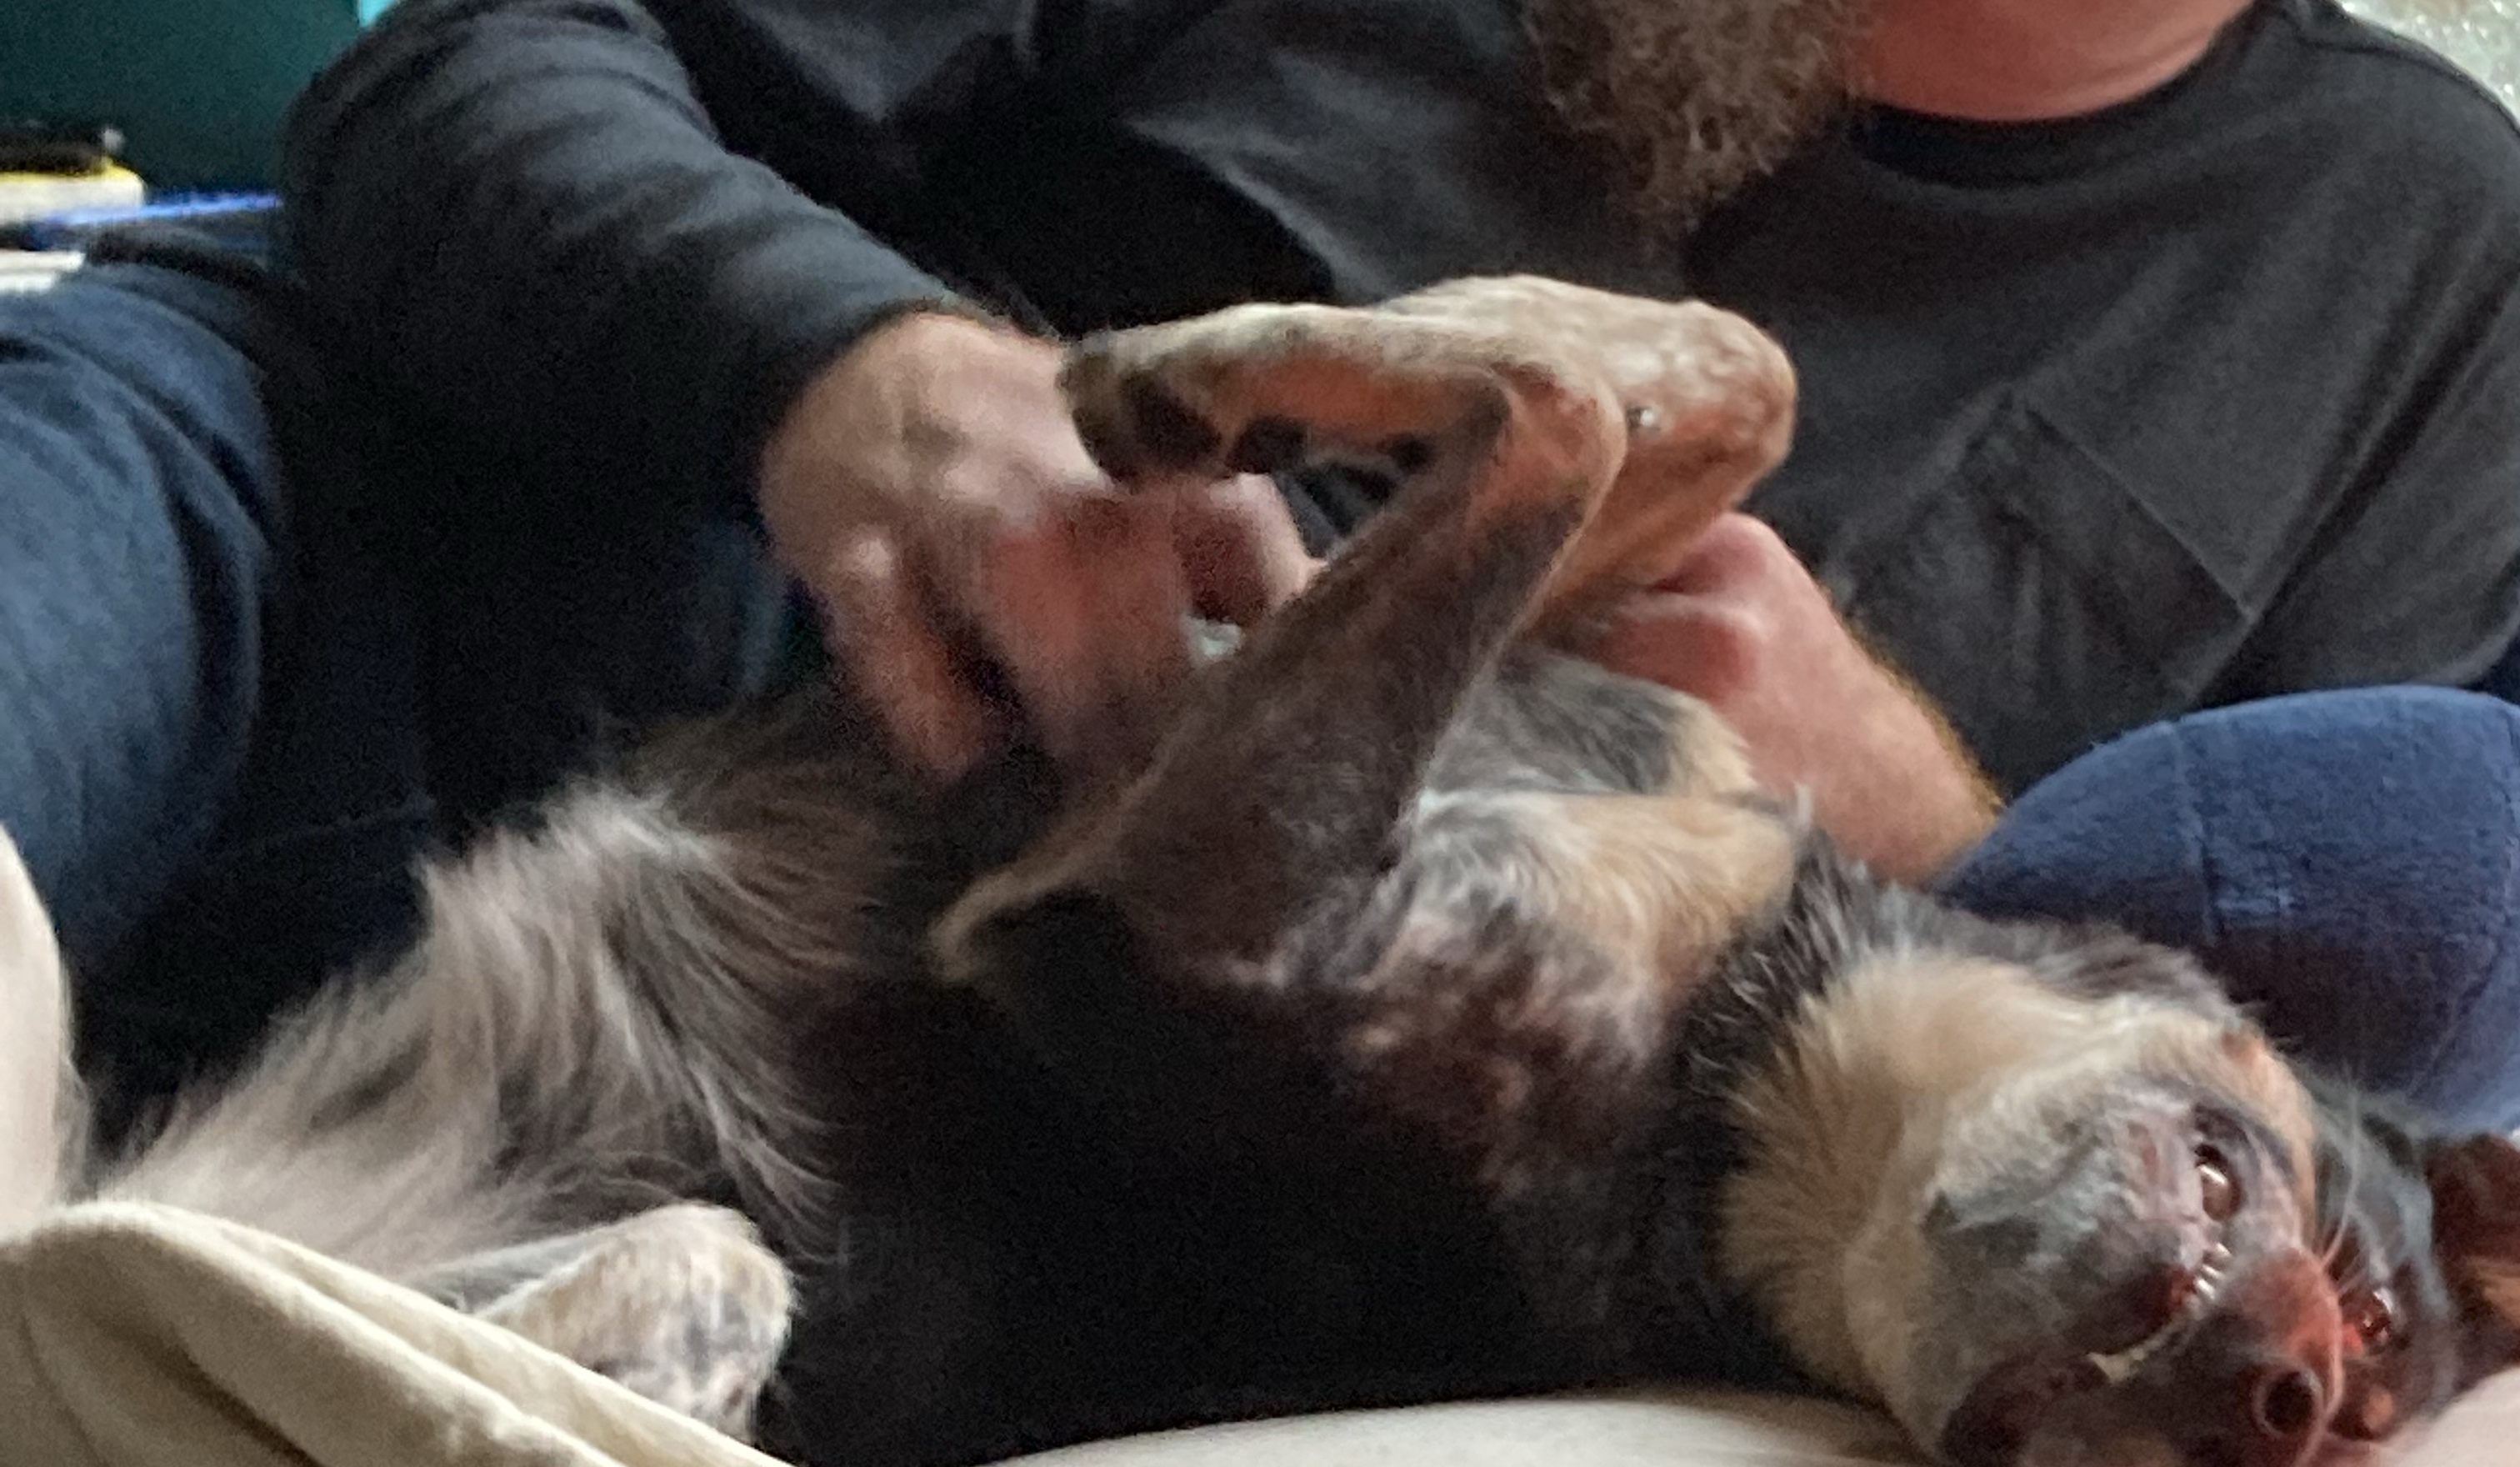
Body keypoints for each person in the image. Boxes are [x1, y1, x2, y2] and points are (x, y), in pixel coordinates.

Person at [5, 0, 2520, 1117]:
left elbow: (2362, 1028)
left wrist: (1924, 833)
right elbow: (453, 81)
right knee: (161, 414)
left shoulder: (2434, 266)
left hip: (1072, 1124)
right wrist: (854, 367)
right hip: (426, 635)